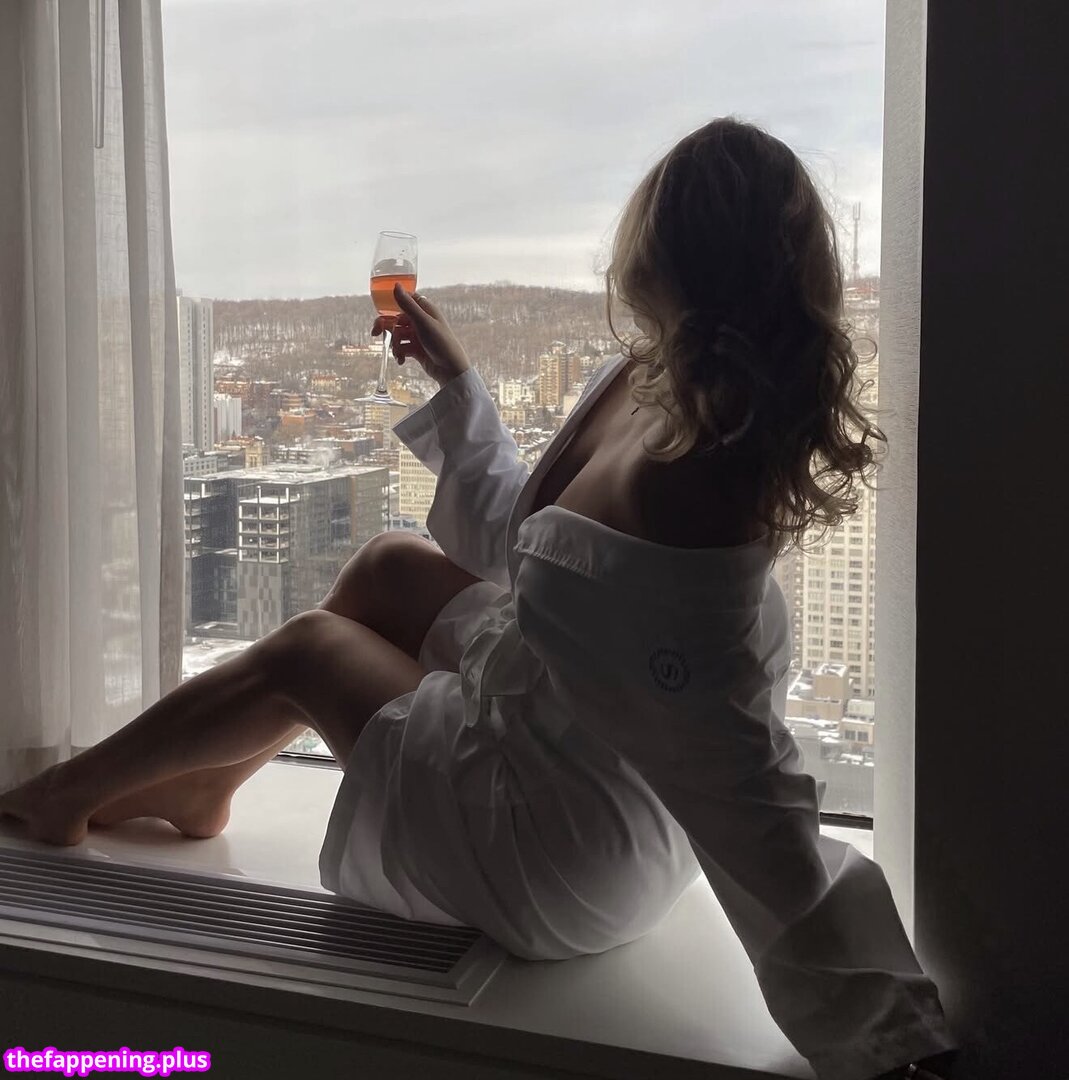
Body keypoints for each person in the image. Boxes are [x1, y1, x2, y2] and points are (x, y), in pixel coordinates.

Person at [1, 117, 958, 1080]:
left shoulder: (706, 474)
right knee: (387, 564)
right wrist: (456, 379)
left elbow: (738, 770)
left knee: (308, 651)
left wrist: (888, 1042)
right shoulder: (640, 380)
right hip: (559, 719)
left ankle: (60, 797)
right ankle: (207, 784)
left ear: (662, 246)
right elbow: (527, 546)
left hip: (559, 847)